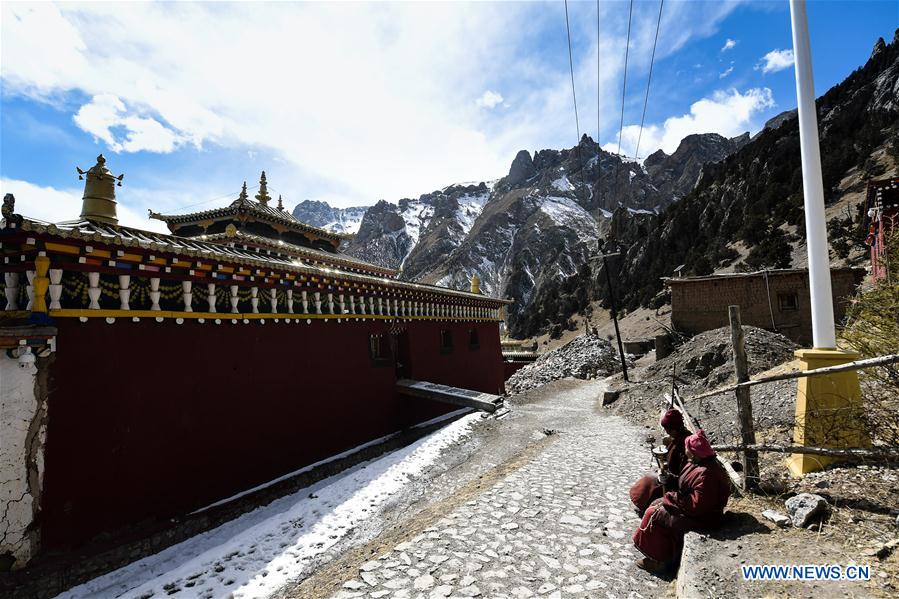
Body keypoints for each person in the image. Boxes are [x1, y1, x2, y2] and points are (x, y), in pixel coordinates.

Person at [632, 429, 732, 574]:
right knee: (655, 504)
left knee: (656, 514)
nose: (685, 451)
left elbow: (698, 505)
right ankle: (659, 554)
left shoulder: (708, 474)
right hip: (692, 509)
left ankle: (661, 561)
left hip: (704, 517)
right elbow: (685, 482)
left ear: (693, 451)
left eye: (687, 449)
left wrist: (671, 498)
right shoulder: (697, 463)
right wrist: (668, 478)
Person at [629, 408, 691, 516]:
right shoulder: (678, 438)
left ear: (674, 429)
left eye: (668, 429)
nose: (666, 432)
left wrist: (667, 477)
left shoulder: (686, 445)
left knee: (649, 481)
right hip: (669, 476)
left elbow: (684, 474)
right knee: (650, 473)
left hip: (675, 485)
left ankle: (647, 507)